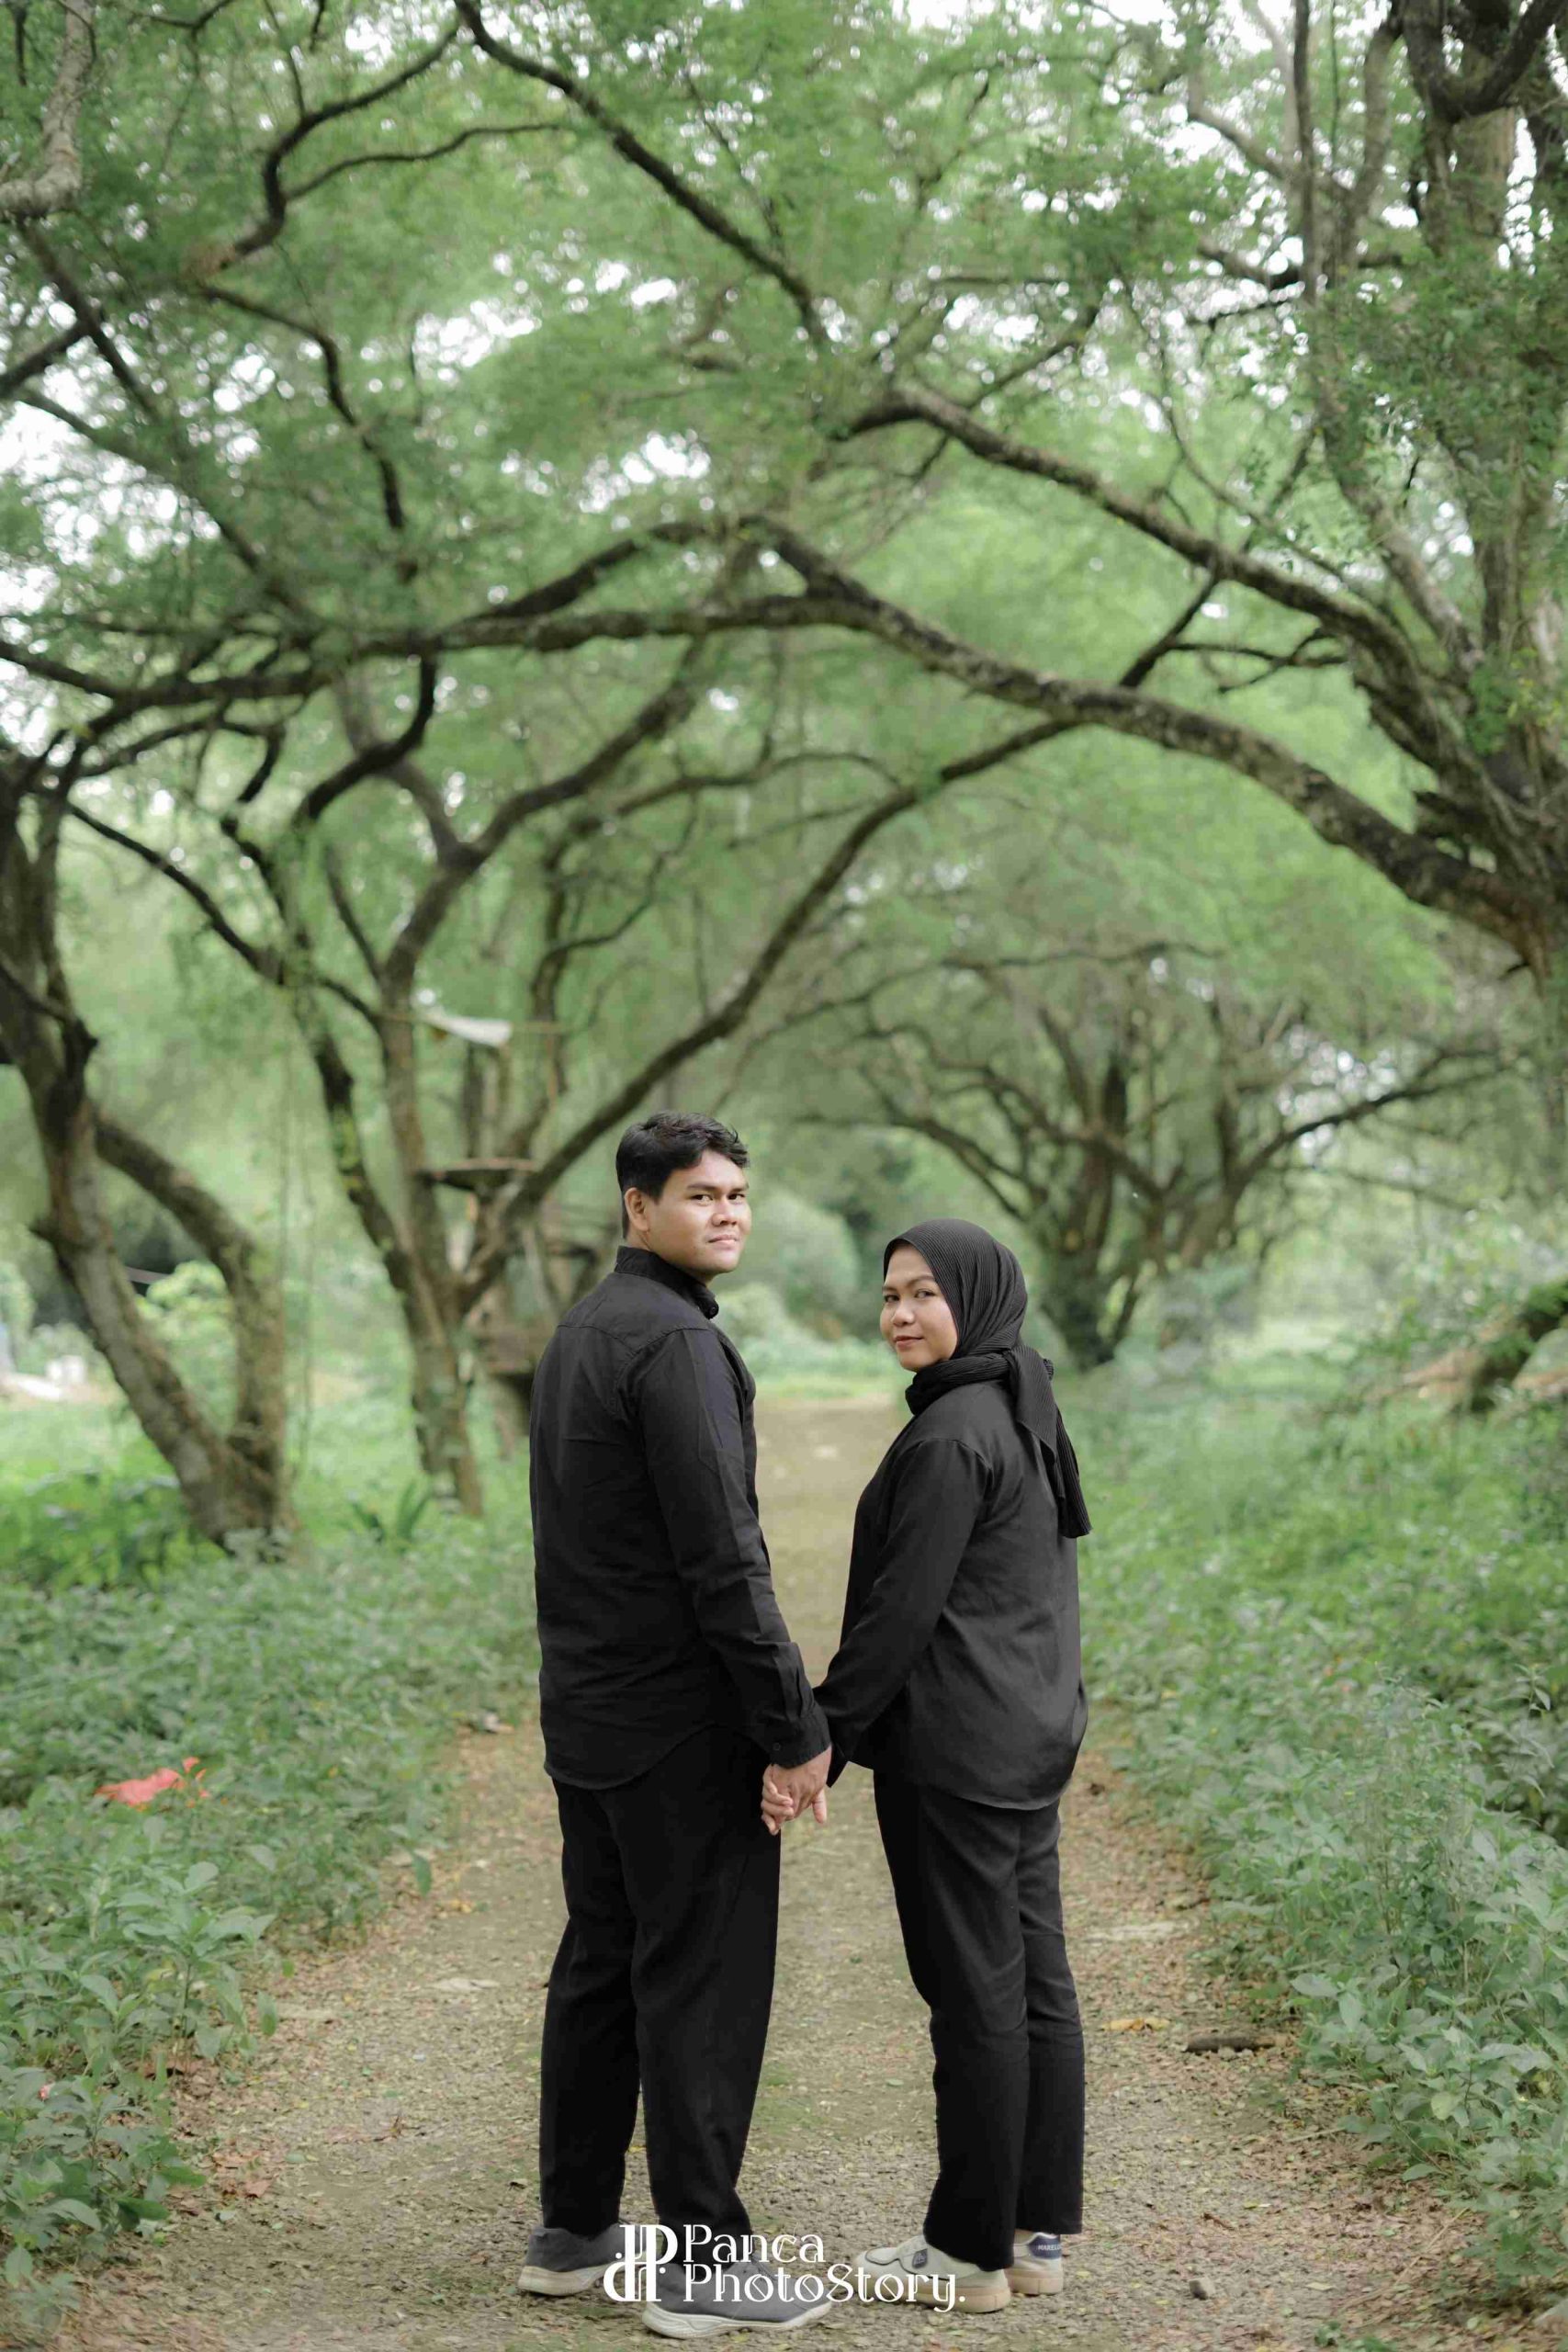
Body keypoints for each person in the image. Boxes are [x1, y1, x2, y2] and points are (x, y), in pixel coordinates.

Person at [521, 1110, 833, 2338]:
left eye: (738, 1196)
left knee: (602, 1961)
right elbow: (724, 1561)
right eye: (701, 1196)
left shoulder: (584, 1332)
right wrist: (791, 1724)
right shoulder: (675, 1345)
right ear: (637, 1207)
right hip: (674, 1727)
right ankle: (702, 2262)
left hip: (590, 1713)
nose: (727, 1214)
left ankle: (574, 2231)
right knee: (699, 1980)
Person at [765, 1218, 1091, 2319]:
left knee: (977, 1992)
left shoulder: (954, 1432)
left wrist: (818, 1740)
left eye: (925, 1294)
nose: (901, 1314)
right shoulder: (1019, 1402)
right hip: (1027, 1734)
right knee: (1033, 1982)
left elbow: (898, 1618)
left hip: (959, 1750)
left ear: (978, 1298)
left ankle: (967, 2250)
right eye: (891, 1294)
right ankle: (1032, 2233)